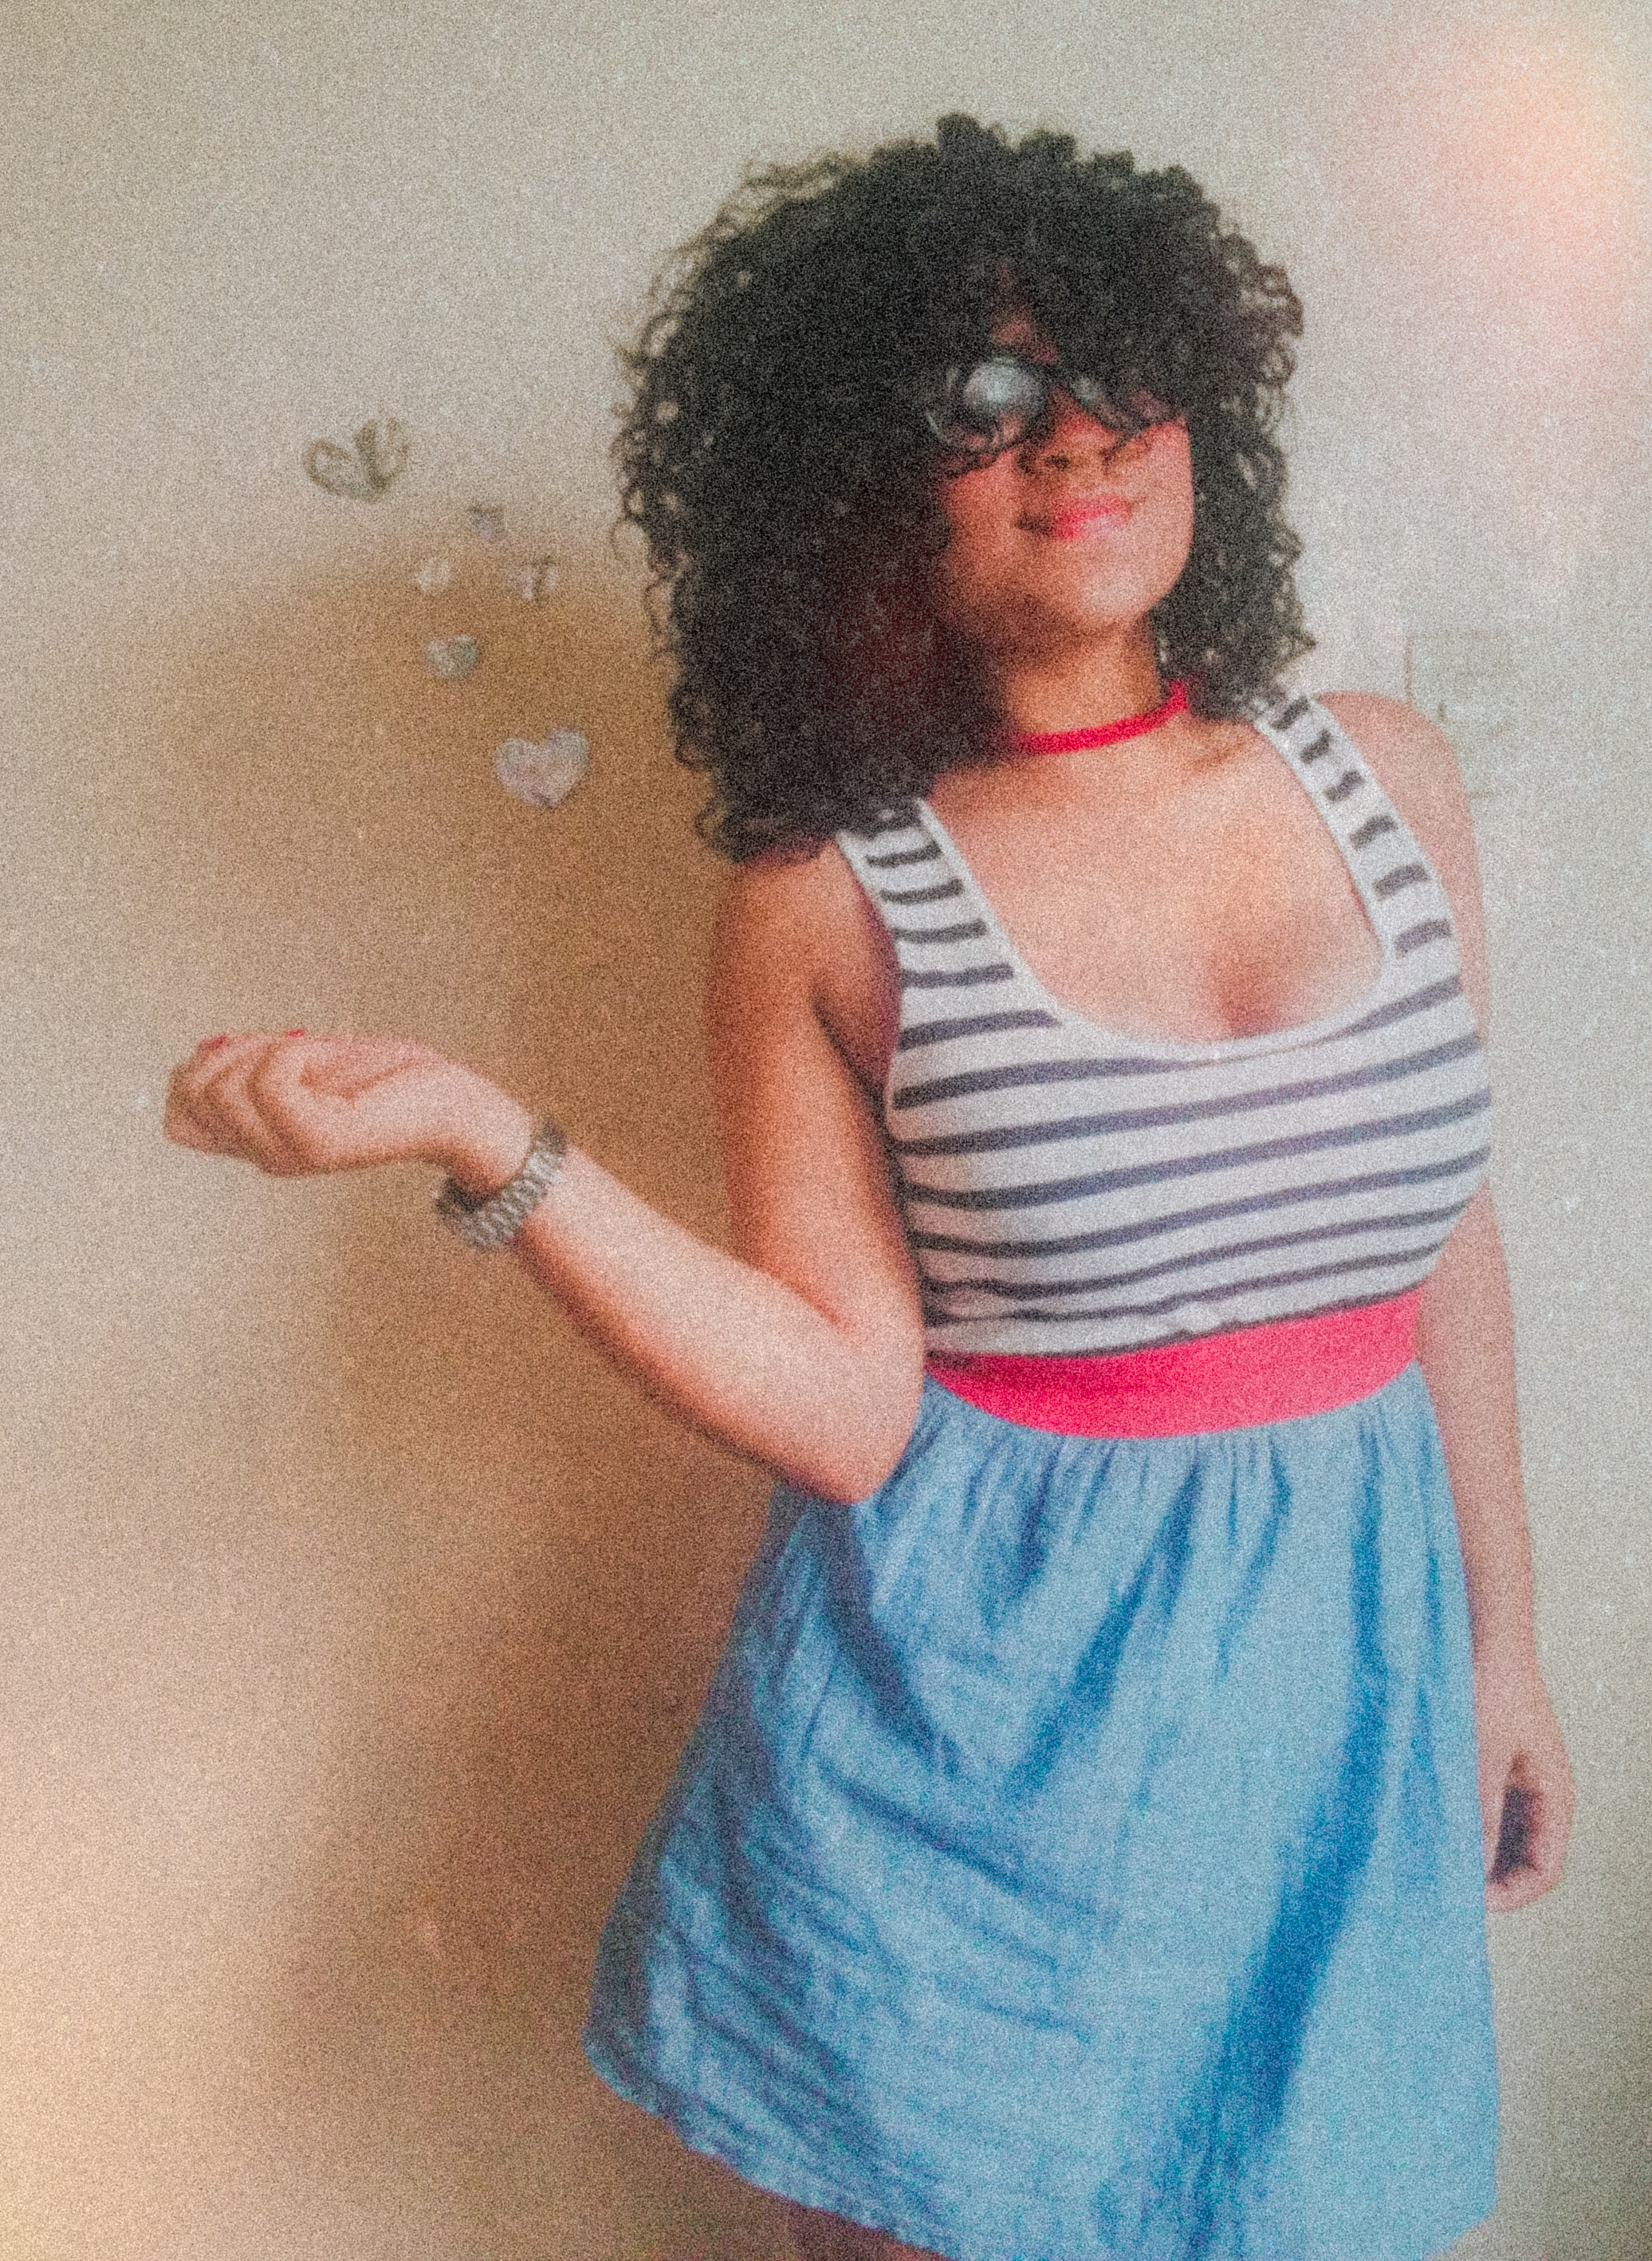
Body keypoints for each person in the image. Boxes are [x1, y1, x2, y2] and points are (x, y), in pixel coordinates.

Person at [167, 115, 1573, 2261]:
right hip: (977, 1740)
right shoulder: (827, 898)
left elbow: (1442, 1237)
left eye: (1118, 367)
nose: (1077, 436)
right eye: (980, 400)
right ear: (852, 487)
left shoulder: (1387, 775)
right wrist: (485, 1135)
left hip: (1332, 1706)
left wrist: (1505, 1643)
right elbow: (842, 1405)